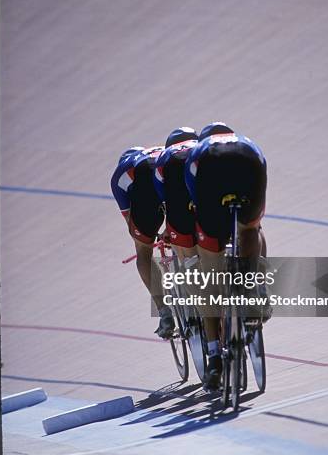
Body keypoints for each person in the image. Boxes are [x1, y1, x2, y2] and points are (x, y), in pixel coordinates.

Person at [185, 122, 268, 390]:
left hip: (209, 173)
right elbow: (262, 167)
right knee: (250, 229)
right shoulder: (246, 138)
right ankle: (253, 289)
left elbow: (193, 197)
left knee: (210, 279)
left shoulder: (199, 150)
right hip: (251, 164)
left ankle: (214, 358)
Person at [110, 144, 174, 338]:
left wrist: (144, 238)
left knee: (143, 251)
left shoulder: (120, 174)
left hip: (145, 186)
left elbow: (130, 220)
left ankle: (164, 312)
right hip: (171, 170)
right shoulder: (159, 149)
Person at [154, 127, 199, 263]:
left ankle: (192, 267)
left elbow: (167, 201)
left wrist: (169, 229)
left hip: (181, 206)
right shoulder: (203, 146)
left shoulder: (165, 155)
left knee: (190, 260)